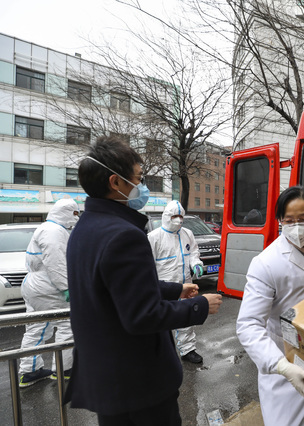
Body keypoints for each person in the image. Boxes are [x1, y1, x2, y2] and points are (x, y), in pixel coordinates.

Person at [64, 135, 223, 425]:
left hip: (110, 380)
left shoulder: (84, 229)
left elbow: (120, 289)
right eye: (138, 178)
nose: (142, 186)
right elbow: (141, 315)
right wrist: (200, 305)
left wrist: (176, 289)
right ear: (115, 182)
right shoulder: (125, 235)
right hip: (138, 385)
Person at [236, 186, 304, 426]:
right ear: (279, 221)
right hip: (286, 355)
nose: (297, 226)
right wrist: (281, 366)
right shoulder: (266, 263)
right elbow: (248, 325)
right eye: (289, 220)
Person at [18, 198, 79, 387]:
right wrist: (66, 287)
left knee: (37, 327)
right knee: (67, 325)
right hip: (49, 287)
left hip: (36, 285)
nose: (77, 218)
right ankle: (64, 369)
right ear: (66, 212)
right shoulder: (54, 231)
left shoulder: (47, 228)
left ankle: (30, 371)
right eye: (75, 213)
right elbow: (56, 262)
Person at [148, 200, 206, 364]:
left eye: (181, 216)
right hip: (164, 287)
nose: (179, 220)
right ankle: (159, 353)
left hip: (185, 285)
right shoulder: (154, 237)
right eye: (174, 216)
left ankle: (188, 350)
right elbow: (148, 265)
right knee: (161, 321)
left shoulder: (187, 233)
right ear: (166, 216)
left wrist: (196, 264)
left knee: (186, 318)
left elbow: (193, 252)